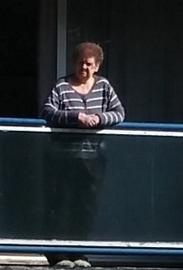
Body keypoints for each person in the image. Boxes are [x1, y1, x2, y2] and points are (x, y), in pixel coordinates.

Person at [40, 42, 122, 252]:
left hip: (93, 159)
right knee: (62, 205)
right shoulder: (62, 86)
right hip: (64, 158)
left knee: (86, 207)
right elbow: (48, 112)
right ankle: (59, 254)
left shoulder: (104, 86)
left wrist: (99, 118)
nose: (83, 68)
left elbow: (120, 113)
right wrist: (76, 117)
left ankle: (80, 252)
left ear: (97, 66)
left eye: (88, 64)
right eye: (80, 64)